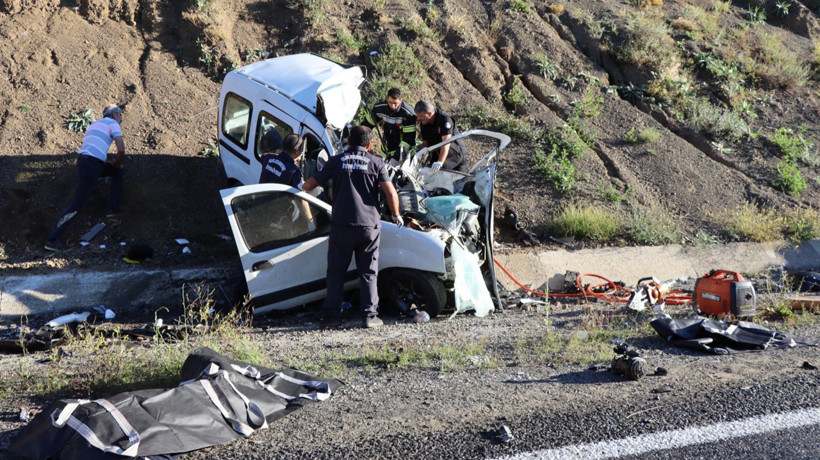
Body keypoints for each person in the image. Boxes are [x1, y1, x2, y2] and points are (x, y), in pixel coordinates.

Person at [302, 125, 403, 329]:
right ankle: (369, 316)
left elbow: (310, 184)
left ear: (348, 142)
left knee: (336, 272)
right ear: (368, 144)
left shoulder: (336, 161)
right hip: (368, 226)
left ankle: (332, 317)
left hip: (341, 225)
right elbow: (391, 193)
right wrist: (396, 214)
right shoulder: (376, 162)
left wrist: (298, 189)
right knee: (368, 272)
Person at [44, 104, 126, 252]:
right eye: (120, 116)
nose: (121, 119)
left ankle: (112, 209)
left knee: (117, 173)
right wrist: (117, 163)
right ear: (114, 114)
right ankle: (52, 240)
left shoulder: (94, 124)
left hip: (86, 162)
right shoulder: (113, 123)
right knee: (77, 205)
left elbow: (93, 150)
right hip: (91, 166)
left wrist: (110, 164)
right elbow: (121, 149)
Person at [362, 87, 416, 164]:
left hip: (403, 151)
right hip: (387, 146)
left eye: (395, 103)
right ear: (387, 98)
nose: (393, 106)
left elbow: (408, 138)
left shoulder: (408, 113)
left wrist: (397, 157)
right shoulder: (379, 108)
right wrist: (360, 142)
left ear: (401, 100)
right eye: (390, 102)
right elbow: (367, 125)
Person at [413, 100, 467, 173]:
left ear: (429, 114)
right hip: (437, 153)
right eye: (418, 116)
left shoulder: (445, 120)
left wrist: (440, 162)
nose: (418, 118)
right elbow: (425, 144)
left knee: (455, 180)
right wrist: (413, 151)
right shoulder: (424, 123)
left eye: (421, 116)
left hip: (454, 154)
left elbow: (446, 144)